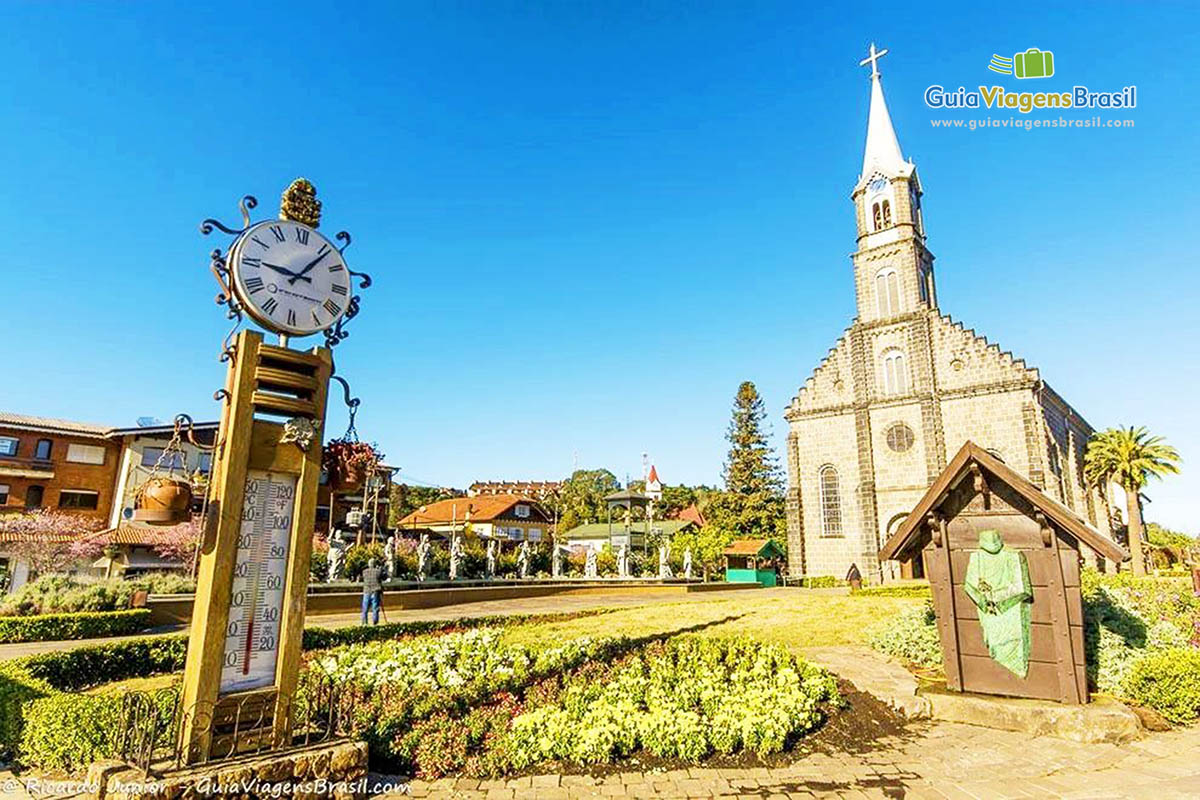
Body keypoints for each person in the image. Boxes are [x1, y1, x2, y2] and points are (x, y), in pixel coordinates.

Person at [361, 557, 383, 625]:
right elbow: (382, 578)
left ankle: (364, 623)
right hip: (375, 591)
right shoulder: (378, 571)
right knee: (375, 608)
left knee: (365, 609)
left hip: (367, 591)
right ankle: (375, 623)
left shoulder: (364, 572)